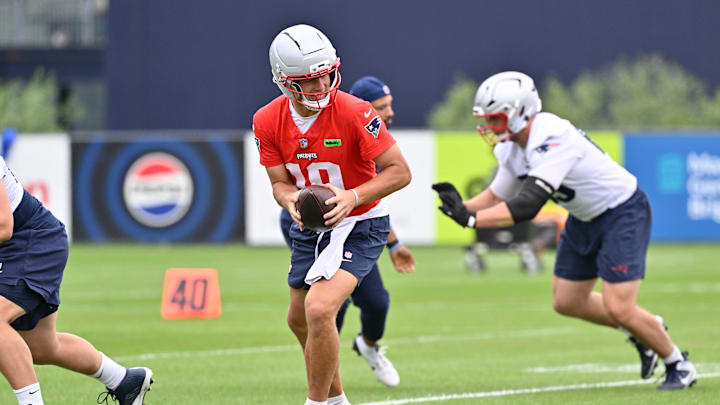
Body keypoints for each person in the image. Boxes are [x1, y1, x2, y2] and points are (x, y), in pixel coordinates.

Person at [432, 71, 697, 390]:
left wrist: (471, 221)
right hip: (584, 217)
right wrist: (460, 206)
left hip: (621, 210)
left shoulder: (552, 135)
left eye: (496, 118)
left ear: (521, 112)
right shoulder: (511, 145)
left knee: (620, 306)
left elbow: (527, 205)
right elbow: (495, 195)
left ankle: (678, 364)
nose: (490, 127)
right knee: (568, 301)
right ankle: (645, 328)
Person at [253, 24, 411, 405]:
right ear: (285, 82)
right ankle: (337, 400)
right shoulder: (266, 120)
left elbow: (400, 172)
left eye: (326, 74)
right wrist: (289, 199)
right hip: (312, 226)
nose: (322, 85)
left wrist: (353, 196)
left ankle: (316, 402)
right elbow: (279, 183)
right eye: (310, 80)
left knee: (320, 308)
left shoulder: (356, 112)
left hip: (362, 221)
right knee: (298, 320)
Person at [278, 75, 414, 388]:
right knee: (323, 306)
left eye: (389, 106)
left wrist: (394, 246)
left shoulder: (375, 140)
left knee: (376, 302)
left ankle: (365, 347)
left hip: (354, 225)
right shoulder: (344, 128)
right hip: (310, 224)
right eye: (381, 108)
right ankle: (327, 385)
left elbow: (370, 201)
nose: (388, 113)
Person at [0, 155, 153, 405]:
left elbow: (4, 225)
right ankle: (124, 381)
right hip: (15, 246)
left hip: (34, 241)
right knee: (41, 347)